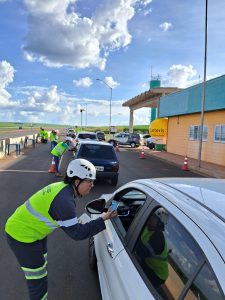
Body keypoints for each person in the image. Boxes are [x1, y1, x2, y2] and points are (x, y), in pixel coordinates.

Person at [5, 159, 117, 300]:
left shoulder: (63, 188)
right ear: (77, 181)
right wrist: (103, 219)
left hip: (34, 231)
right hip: (22, 236)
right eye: (89, 181)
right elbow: (77, 233)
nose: (92, 186)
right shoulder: (64, 201)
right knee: (37, 282)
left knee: (41, 268)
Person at [136, 207, 169, 292]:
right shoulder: (148, 227)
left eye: (154, 217)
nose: (150, 217)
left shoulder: (157, 239)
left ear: (159, 223)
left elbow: (138, 252)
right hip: (148, 262)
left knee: (140, 288)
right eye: (151, 215)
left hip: (157, 274)